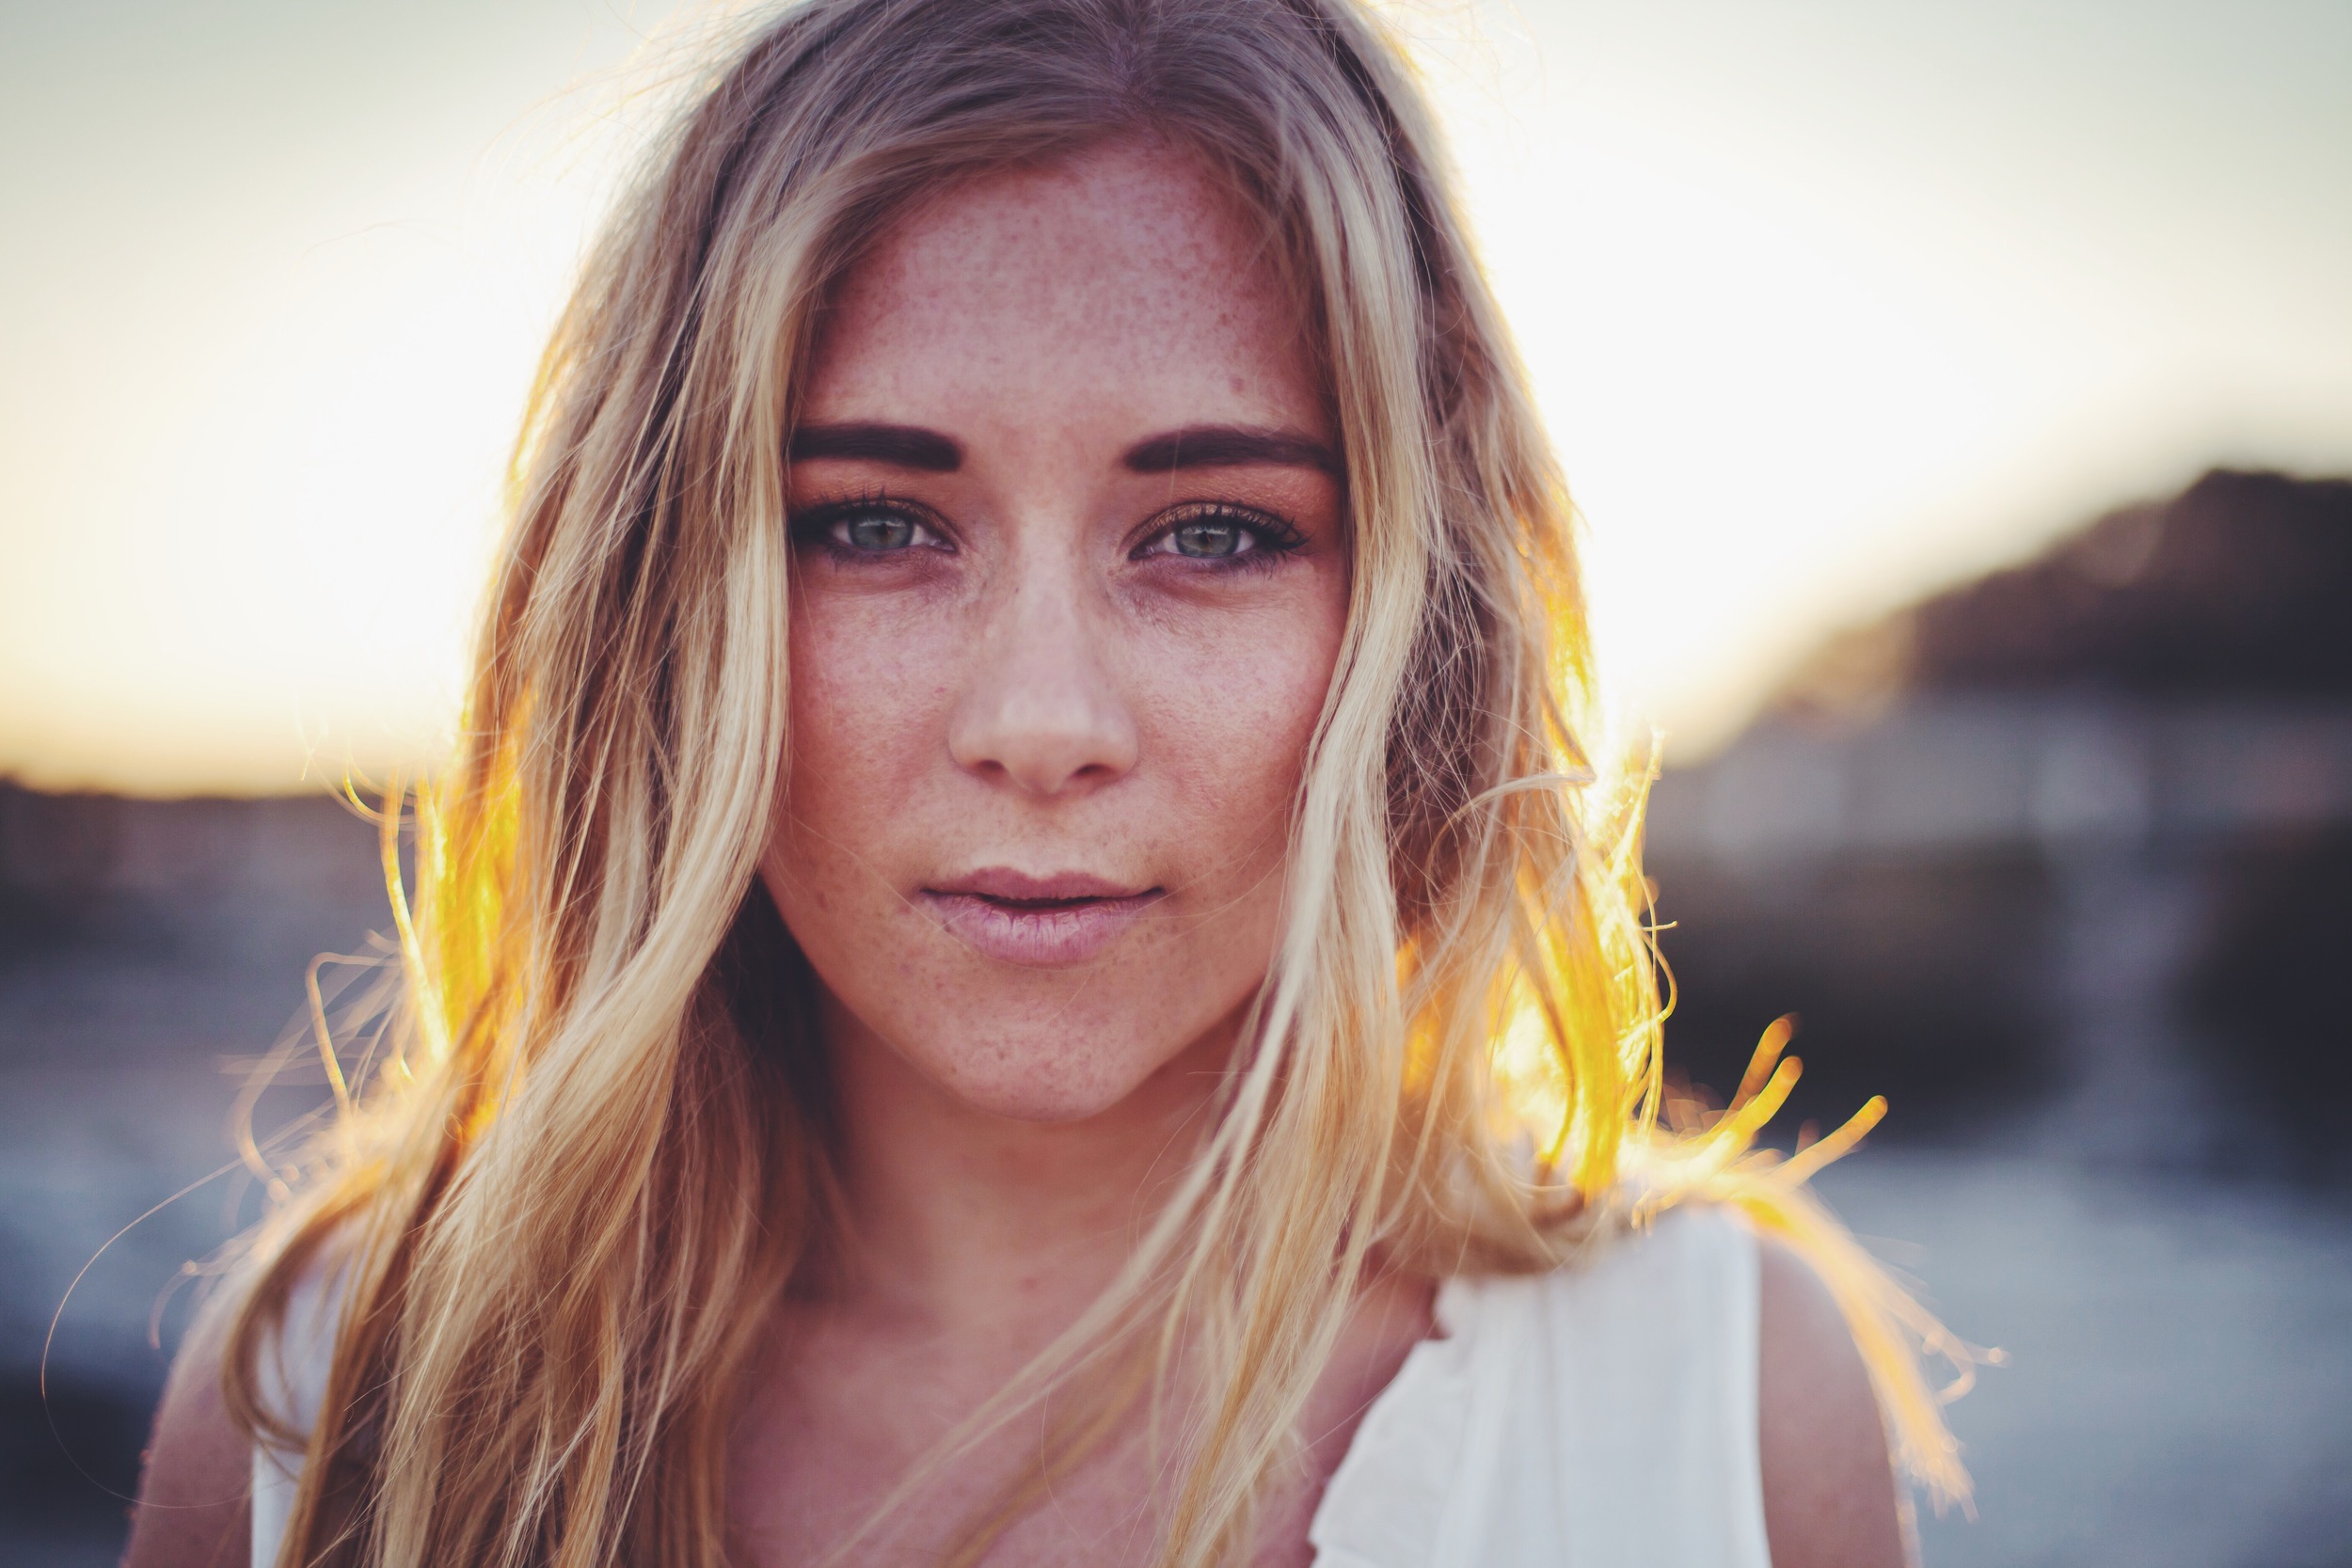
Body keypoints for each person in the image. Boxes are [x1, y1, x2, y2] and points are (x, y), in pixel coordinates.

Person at [126, 1, 1972, 1563]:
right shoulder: (330, 1413)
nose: (1040, 719)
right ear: (659, 609)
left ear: (1422, 617)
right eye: (869, 523)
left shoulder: (1713, 1409)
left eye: (1213, 531)